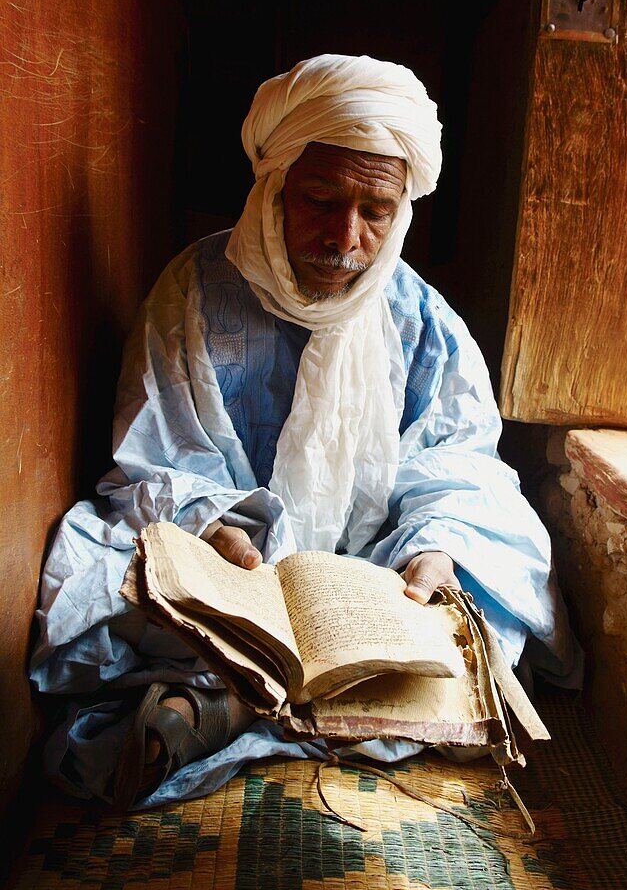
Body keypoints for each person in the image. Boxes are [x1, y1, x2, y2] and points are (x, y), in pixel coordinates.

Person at [31, 54, 580, 810]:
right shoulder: (191, 293)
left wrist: (435, 548)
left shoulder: (420, 317)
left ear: (401, 210)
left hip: (372, 576)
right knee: (95, 575)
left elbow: (459, 460)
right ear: (273, 186)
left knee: (493, 569)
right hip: (233, 569)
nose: (345, 236)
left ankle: (219, 710)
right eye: (320, 199)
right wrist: (216, 525)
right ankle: (318, 711)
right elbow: (153, 459)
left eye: (375, 211)